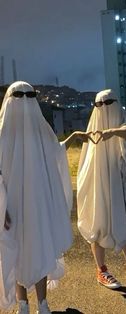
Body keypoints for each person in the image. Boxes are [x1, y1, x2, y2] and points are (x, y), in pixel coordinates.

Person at [0, 81, 74, 314]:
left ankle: (42, 303)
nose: (24, 102)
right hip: (12, 207)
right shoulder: (2, 134)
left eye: (28, 96)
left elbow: (55, 154)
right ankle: (24, 303)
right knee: (18, 252)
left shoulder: (41, 132)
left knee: (38, 248)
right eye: (19, 96)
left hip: (39, 204)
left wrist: (70, 140)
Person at [76, 89, 126, 289]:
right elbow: (87, 164)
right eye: (99, 104)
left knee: (124, 225)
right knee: (98, 225)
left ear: (116, 103)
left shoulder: (124, 124)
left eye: (108, 103)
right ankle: (102, 270)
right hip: (99, 187)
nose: (103, 108)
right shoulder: (93, 129)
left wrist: (112, 132)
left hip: (122, 186)